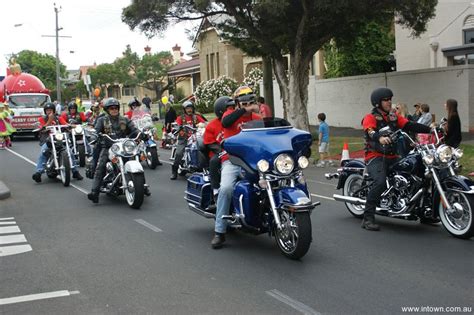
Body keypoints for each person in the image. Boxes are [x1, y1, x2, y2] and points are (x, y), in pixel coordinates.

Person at [361, 87, 431, 231]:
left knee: (417, 172)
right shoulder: (370, 117)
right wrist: (379, 137)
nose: (389, 102)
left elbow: (409, 124)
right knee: (379, 183)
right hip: (375, 156)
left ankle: (422, 211)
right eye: (385, 100)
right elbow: (370, 130)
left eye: (390, 99)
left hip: (393, 156)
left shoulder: (393, 116)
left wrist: (430, 129)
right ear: (377, 102)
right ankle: (367, 218)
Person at [211, 86, 262, 249]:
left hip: (254, 161)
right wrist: (242, 111)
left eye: (249, 100)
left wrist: (257, 112)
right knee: (226, 188)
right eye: (243, 100)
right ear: (238, 102)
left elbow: (265, 132)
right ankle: (219, 231)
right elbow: (226, 122)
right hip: (232, 160)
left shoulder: (256, 117)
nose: (247, 103)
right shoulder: (229, 114)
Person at [87, 98, 145, 203]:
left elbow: (134, 129)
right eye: (111, 108)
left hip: (124, 146)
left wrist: (141, 134)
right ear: (107, 110)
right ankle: (94, 192)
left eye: (116, 108)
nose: (114, 110)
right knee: (101, 165)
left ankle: (142, 186)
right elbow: (96, 130)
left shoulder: (125, 119)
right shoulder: (102, 120)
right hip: (108, 146)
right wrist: (94, 136)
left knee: (137, 158)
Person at [32, 102, 83, 183]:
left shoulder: (59, 118)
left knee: (70, 152)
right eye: (47, 110)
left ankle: (75, 171)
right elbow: (43, 128)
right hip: (48, 140)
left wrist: (75, 126)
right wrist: (50, 119)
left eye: (51, 110)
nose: (49, 112)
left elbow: (66, 124)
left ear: (54, 111)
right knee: (43, 152)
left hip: (59, 139)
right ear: (45, 111)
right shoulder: (42, 119)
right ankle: (38, 172)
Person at [204, 96, 236, 202]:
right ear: (221, 110)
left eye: (233, 107)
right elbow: (210, 143)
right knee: (214, 161)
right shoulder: (211, 125)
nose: (232, 110)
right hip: (220, 151)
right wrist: (223, 150)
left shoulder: (235, 121)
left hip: (236, 151)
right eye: (229, 108)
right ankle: (216, 190)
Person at [170, 100, 206, 180]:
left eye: (190, 108)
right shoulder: (181, 118)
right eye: (187, 108)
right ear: (184, 110)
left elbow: (205, 123)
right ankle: (174, 171)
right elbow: (175, 125)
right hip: (184, 138)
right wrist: (178, 127)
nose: (189, 110)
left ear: (193, 109)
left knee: (204, 148)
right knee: (179, 153)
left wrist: (203, 124)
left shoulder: (196, 117)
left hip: (196, 137)